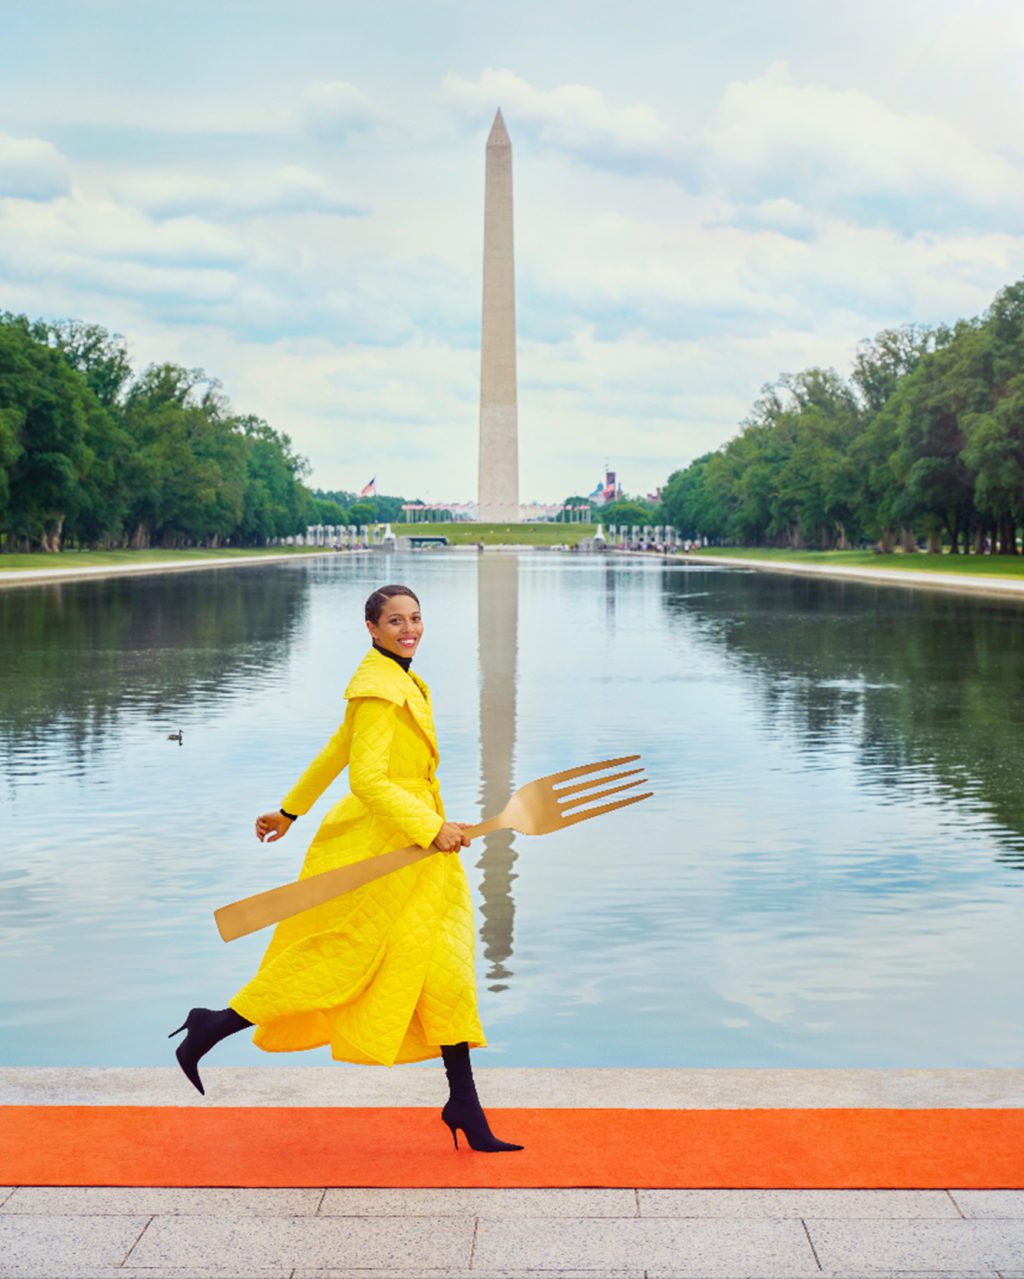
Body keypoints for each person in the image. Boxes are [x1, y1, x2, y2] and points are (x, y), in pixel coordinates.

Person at [169, 584, 522, 1153]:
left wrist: (290, 809)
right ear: (372, 627)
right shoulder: (381, 688)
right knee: (343, 956)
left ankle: (464, 1104)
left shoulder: (393, 676)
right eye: (395, 621)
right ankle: (215, 1023)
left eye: (415, 618)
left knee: (444, 970)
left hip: (418, 841)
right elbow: (367, 779)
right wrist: (429, 827)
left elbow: (339, 748)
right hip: (387, 846)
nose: (409, 629)